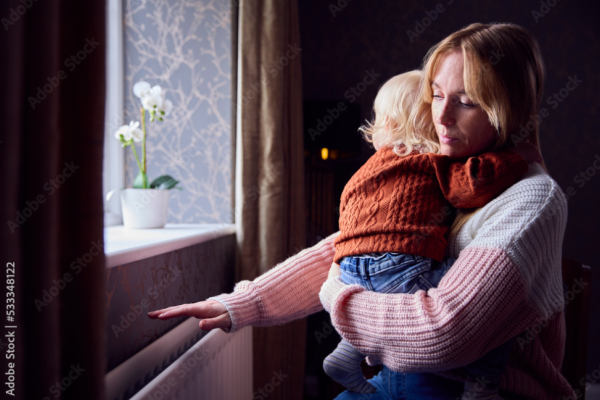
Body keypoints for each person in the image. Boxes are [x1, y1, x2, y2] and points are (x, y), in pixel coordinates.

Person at [149, 22, 575, 400]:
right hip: (398, 381)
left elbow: (442, 333)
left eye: (466, 102)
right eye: (437, 95)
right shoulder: (445, 172)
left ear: (508, 110)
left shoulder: (531, 199)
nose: (440, 116)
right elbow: (351, 249)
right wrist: (239, 305)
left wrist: (337, 296)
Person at [319, 69, 529, 399]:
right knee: (496, 312)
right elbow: (471, 188)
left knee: (380, 296)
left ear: (385, 125)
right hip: (398, 263)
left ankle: (347, 353)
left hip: (348, 269)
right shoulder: (429, 159)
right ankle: (482, 386)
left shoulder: (365, 170)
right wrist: (516, 160)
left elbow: (349, 222)